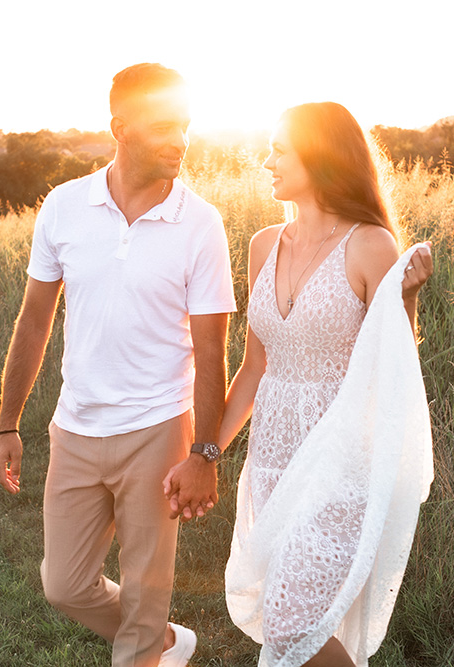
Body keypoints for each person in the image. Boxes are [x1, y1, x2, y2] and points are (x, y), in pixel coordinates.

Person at [164, 102, 435, 666]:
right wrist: (208, 452)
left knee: (292, 625)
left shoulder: (370, 245)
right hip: (272, 458)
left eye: (280, 150)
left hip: (340, 460)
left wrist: (406, 299)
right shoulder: (264, 244)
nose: (267, 161)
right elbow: (252, 369)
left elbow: (395, 368)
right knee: (287, 621)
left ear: (321, 157)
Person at [0, 63, 237, 667]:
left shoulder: (200, 223)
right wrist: (7, 424)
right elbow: (34, 321)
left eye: (185, 125)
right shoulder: (64, 207)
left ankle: (149, 640)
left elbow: (211, 352)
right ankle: (166, 643)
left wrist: (204, 453)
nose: (180, 139)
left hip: (157, 429)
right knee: (64, 585)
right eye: (163, 126)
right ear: (119, 127)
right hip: (75, 428)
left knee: (142, 615)